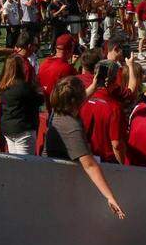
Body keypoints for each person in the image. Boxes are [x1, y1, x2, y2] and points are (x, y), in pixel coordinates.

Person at [42, 76, 125, 219]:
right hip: (59, 182)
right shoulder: (72, 127)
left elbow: (79, 99)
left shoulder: (59, 110)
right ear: (76, 101)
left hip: (51, 175)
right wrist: (110, 196)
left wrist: (94, 86)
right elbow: (90, 165)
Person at [0, 55, 44, 155]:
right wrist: (39, 89)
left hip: (9, 128)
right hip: (23, 130)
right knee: (25, 162)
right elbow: (39, 100)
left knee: (15, 160)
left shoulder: (3, 86)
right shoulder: (23, 87)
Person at [38, 33, 79, 102]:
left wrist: (71, 65)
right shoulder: (67, 69)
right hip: (61, 106)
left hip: (47, 103)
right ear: (69, 50)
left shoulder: (44, 63)